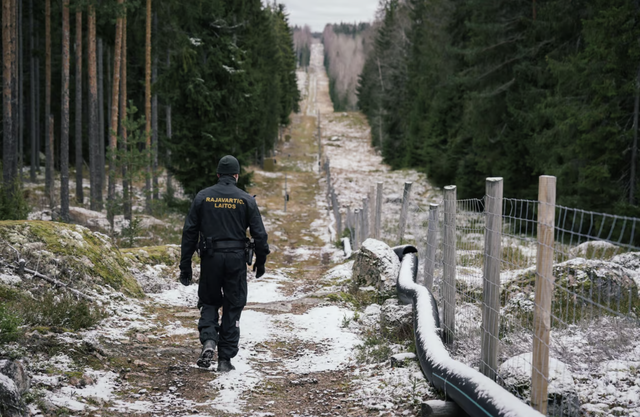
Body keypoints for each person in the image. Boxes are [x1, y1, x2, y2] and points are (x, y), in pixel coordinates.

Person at [178, 155, 269, 372]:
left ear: (218, 174)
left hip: (210, 258)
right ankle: (225, 359)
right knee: (233, 305)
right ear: (236, 175)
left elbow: (189, 233)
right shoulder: (246, 199)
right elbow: (260, 236)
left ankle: (209, 340)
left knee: (209, 301)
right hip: (236, 260)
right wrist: (261, 261)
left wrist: (185, 265)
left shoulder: (203, 197)